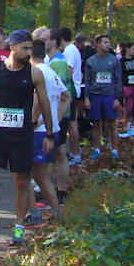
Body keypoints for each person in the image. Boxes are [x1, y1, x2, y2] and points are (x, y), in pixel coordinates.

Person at [0, 30, 55, 245]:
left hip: (22, 132)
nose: (29, 52)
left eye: (30, 49)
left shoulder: (35, 74)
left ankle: (19, 226)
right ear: (13, 47)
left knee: (22, 181)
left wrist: (50, 134)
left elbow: (45, 103)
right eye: (25, 48)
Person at [28, 39, 68, 224]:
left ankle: (36, 212)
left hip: (39, 131)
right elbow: (66, 97)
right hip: (51, 129)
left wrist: (35, 121)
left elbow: (37, 100)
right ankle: (51, 211)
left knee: (31, 173)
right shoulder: (51, 71)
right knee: (40, 174)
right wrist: (56, 119)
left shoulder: (37, 72)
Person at [46, 29, 75, 206]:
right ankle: (54, 190)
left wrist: (57, 117)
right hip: (53, 114)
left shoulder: (59, 63)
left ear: (55, 42)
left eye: (45, 39)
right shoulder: (51, 61)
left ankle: (59, 191)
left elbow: (64, 93)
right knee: (56, 152)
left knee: (58, 152)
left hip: (59, 115)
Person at [85, 34, 122, 160]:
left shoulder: (114, 60)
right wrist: (86, 98)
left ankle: (115, 150)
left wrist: (117, 98)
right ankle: (97, 149)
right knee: (96, 123)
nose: (108, 45)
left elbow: (118, 80)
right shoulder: (90, 61)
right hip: (95, 96)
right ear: (98, 44)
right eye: (105, 42)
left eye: (109, 42)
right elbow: (87, 80)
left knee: (112, 124)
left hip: (110, 96)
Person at [58, 28, 83, 163]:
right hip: (74, 89)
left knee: (71, 124)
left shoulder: (69, 50)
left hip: (71, 89)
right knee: (71, 123)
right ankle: (74, 153)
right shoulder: (72, 49)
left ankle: (75, 153)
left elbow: (69, 70)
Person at [120, 42, 134, 134]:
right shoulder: (122, 61)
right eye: (133, 49)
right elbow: (121, 74)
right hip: (127, 85)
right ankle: (129, 123)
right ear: (127, 49)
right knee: (129, 103)